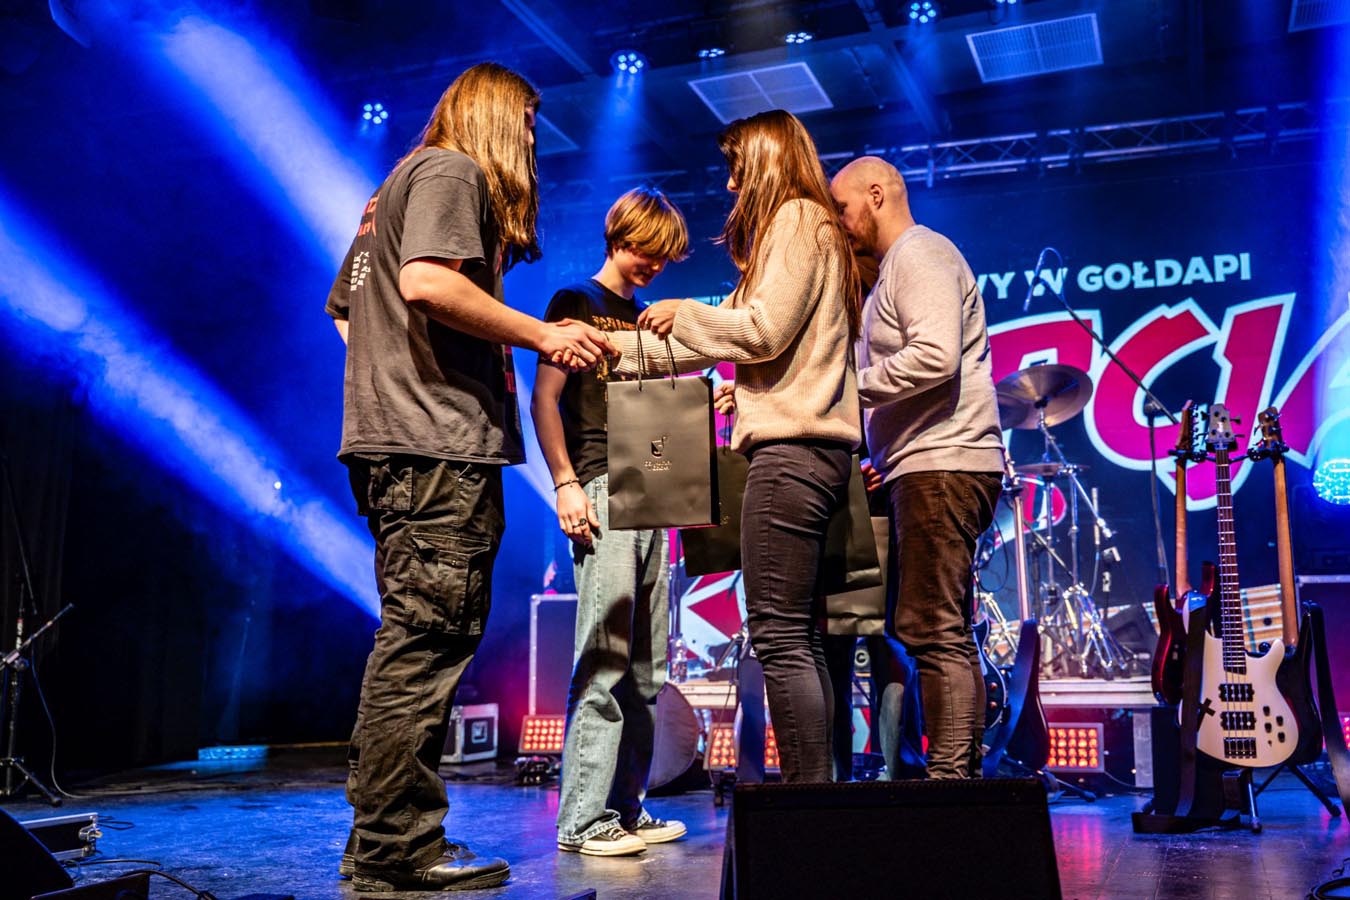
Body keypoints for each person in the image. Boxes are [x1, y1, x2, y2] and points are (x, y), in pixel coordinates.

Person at [325, 62, 614, 892]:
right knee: (426, 644)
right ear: (494, 115)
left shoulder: (388, 193)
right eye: (526, 121)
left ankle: (377, 842)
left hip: (398, 444)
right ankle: (398, 848)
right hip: (436, 449)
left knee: (413, 640)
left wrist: (395, 379)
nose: (532, 139)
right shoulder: (452, 171)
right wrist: (539, 336)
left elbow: (346, 311)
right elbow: (424, 282)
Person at [606, 109, 863, 783]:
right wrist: (606, 350)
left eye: (737, 170)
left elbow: (762, 330)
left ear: (767, 161)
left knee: (778, 635)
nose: (728, 186)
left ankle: (806, 805)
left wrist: (683, 311)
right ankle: (819, 794)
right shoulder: (806, 228)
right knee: (799, 636)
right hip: (810, 454)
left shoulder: (797, 220)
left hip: (793, 454)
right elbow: (732, 338)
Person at [828, 156, 1004, 780]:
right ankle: (956, 774)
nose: (839, 222)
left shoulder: (920, 253)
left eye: (843, 207)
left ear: (876, 195)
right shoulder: (892, 272)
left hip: (942, 464)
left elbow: (935, 356)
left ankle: (952, 779)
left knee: (933, 627)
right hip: (926, 465)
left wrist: (840, 390)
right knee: (931, 625)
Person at [530, 187, 692, 857]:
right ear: (623, 238)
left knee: (648, 670)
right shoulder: (574, 301)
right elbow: (544, 401)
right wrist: (565, 484)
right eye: (649, 251)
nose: (656, 265)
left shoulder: (650, 318)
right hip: (600, 484)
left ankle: (626, 807)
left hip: (653, 493)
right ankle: (582, 820)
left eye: (664, 257)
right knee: (605, 657)